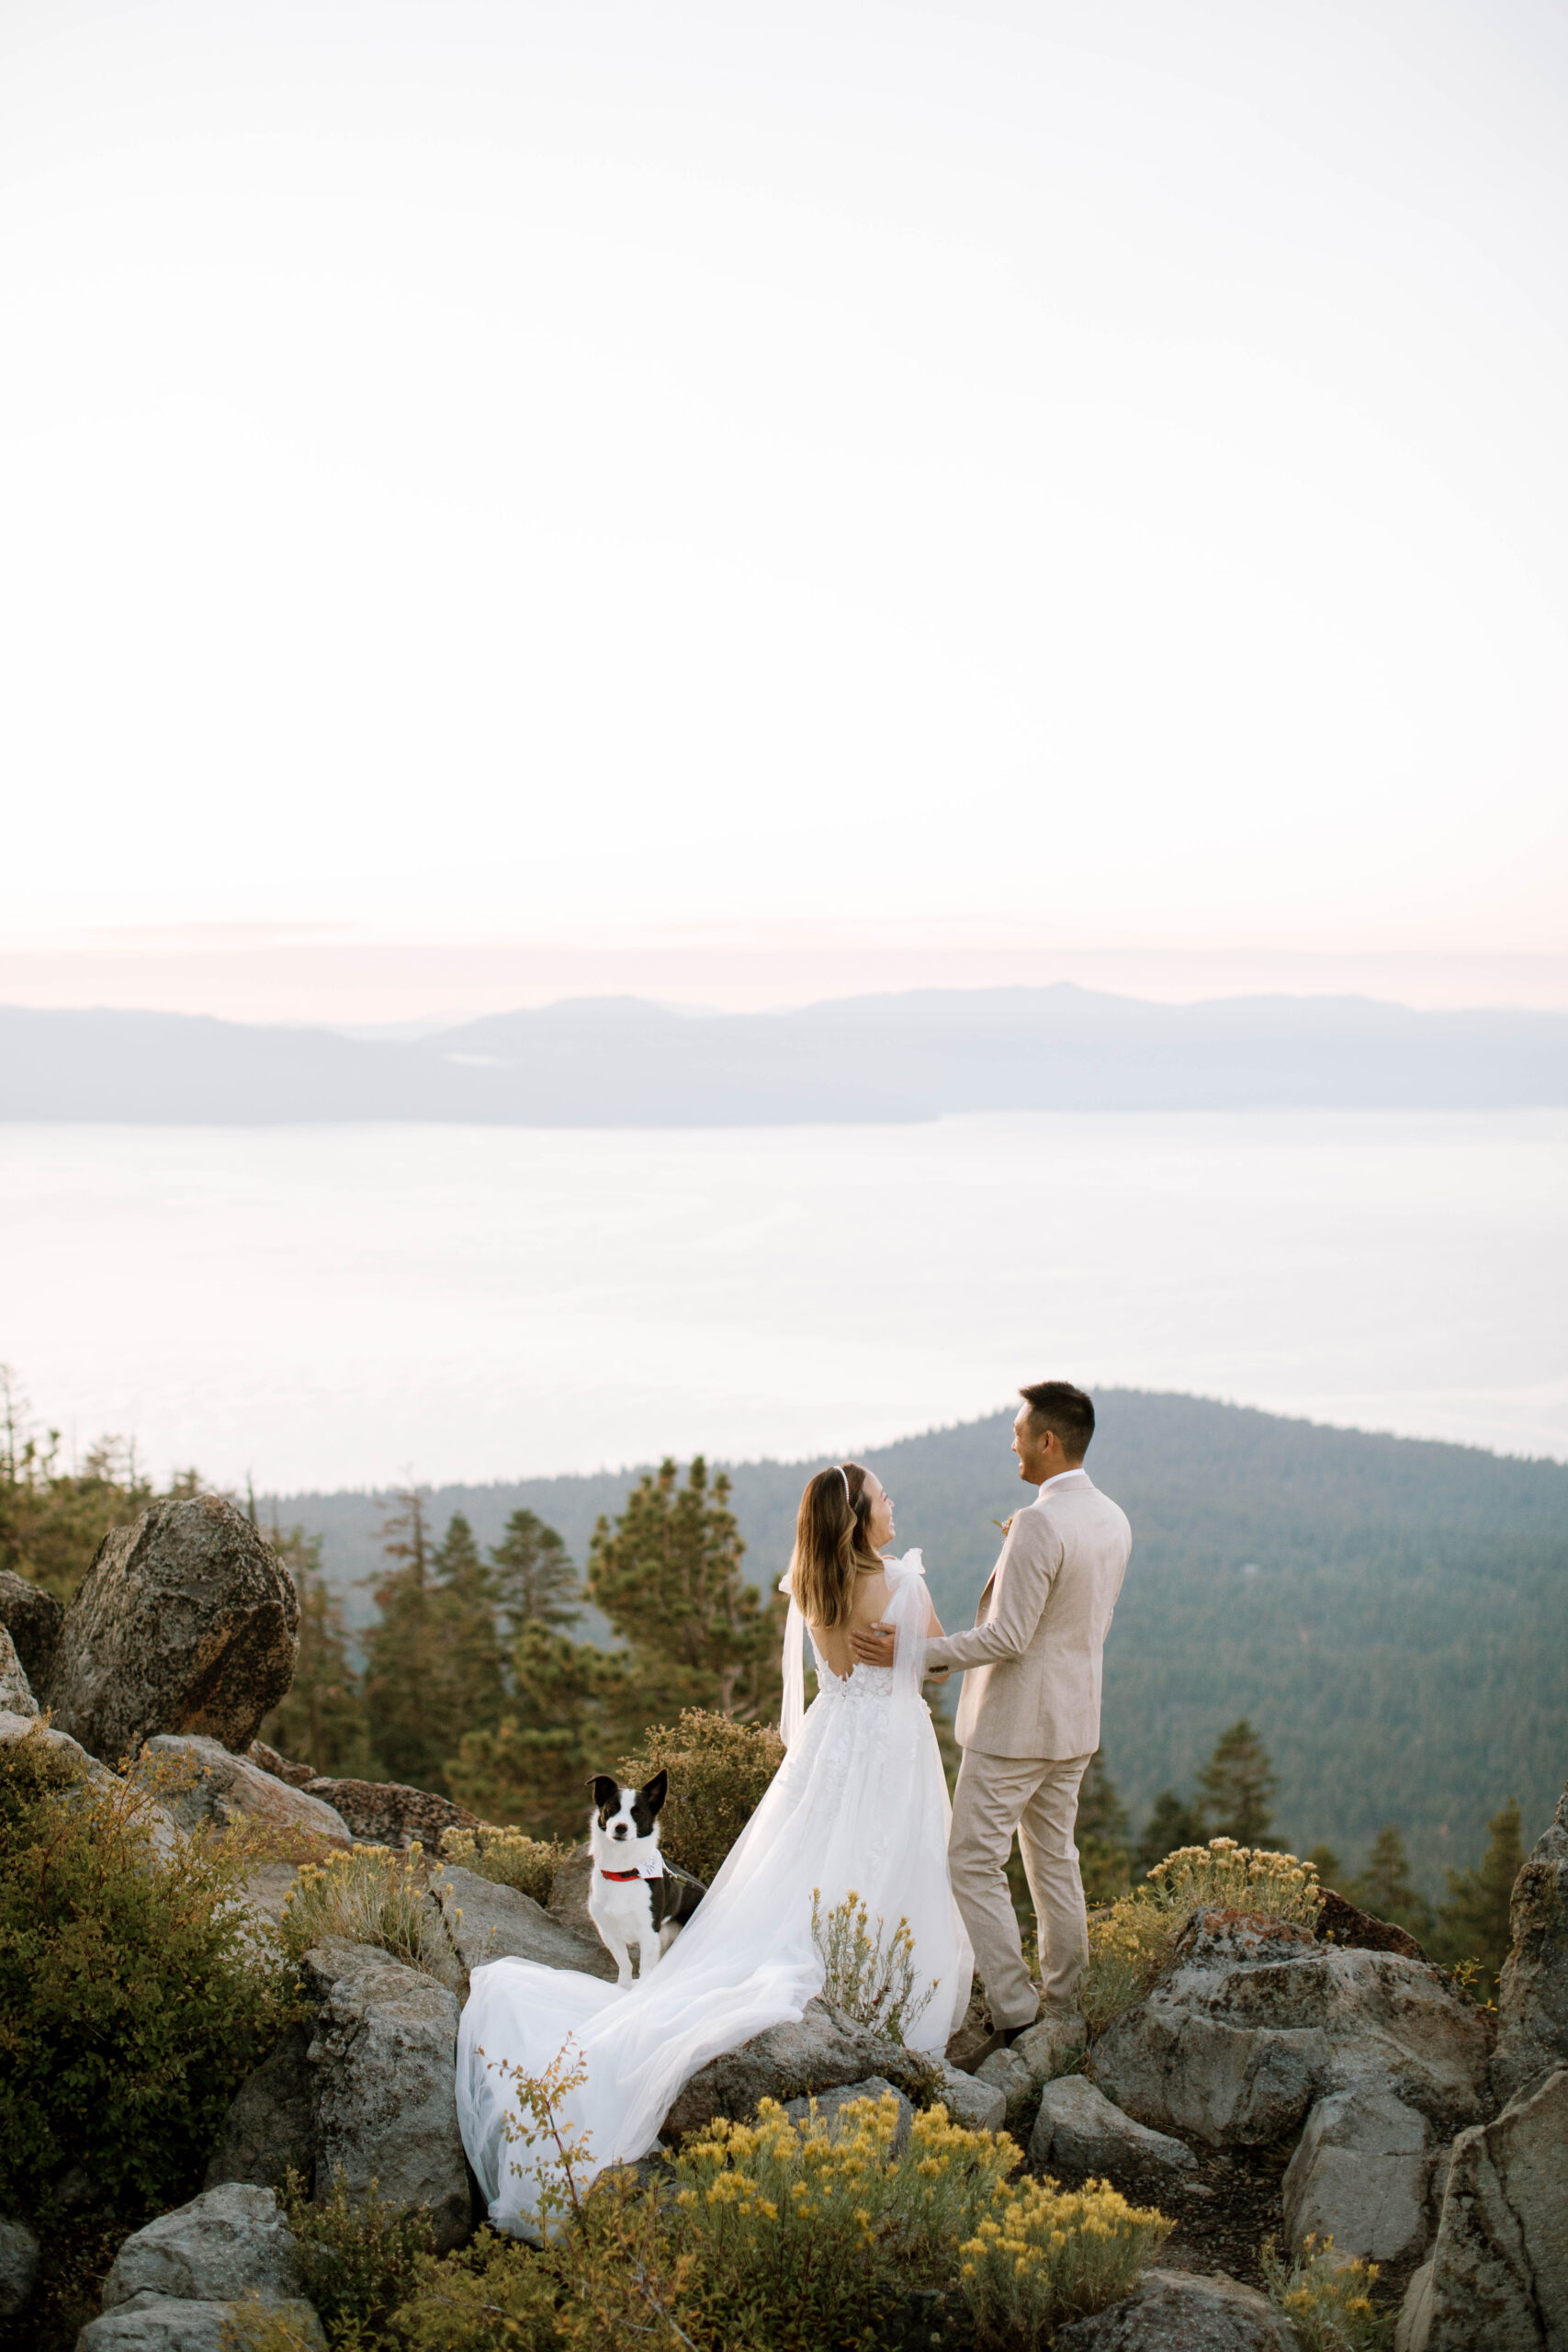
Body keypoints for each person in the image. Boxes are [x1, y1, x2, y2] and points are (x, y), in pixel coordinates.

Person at [456, 1460, 972, 2235]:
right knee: (886, 1863)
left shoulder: (808, 1586)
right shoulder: (900, 1582)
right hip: (891, 1752)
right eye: (882, 1498)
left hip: (829, 1753)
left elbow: (835, 1668)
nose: (893, 1505)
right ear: (858, 1517)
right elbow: (933, 1660)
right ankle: (877, 1993)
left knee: (803, 1864)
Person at [851, 1380, 1130, 2055]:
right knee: (1054, 1858)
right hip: (1074, 1721)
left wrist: (916, 1654)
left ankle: (1014, 2010)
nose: (1011, 1443)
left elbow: (1008, 1638)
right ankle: (1066, 2002)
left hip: (1015, 1728)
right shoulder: (1112, 1517)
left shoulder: (1039, 1521)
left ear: (1048, 1441)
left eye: (1017, 1432)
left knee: (972, 1861)